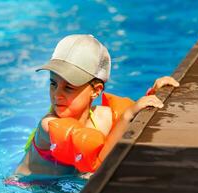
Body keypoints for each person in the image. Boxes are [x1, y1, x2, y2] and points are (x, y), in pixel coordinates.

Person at [11, 34, 179, 182]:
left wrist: (154, 93)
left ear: (96, 90)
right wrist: (127, 115)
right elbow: (96, 167)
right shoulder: (49, 126)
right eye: (53, 83)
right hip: (26, 189)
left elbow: (136, 117)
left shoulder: (102, 117)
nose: (57, 95)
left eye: (69, 87)